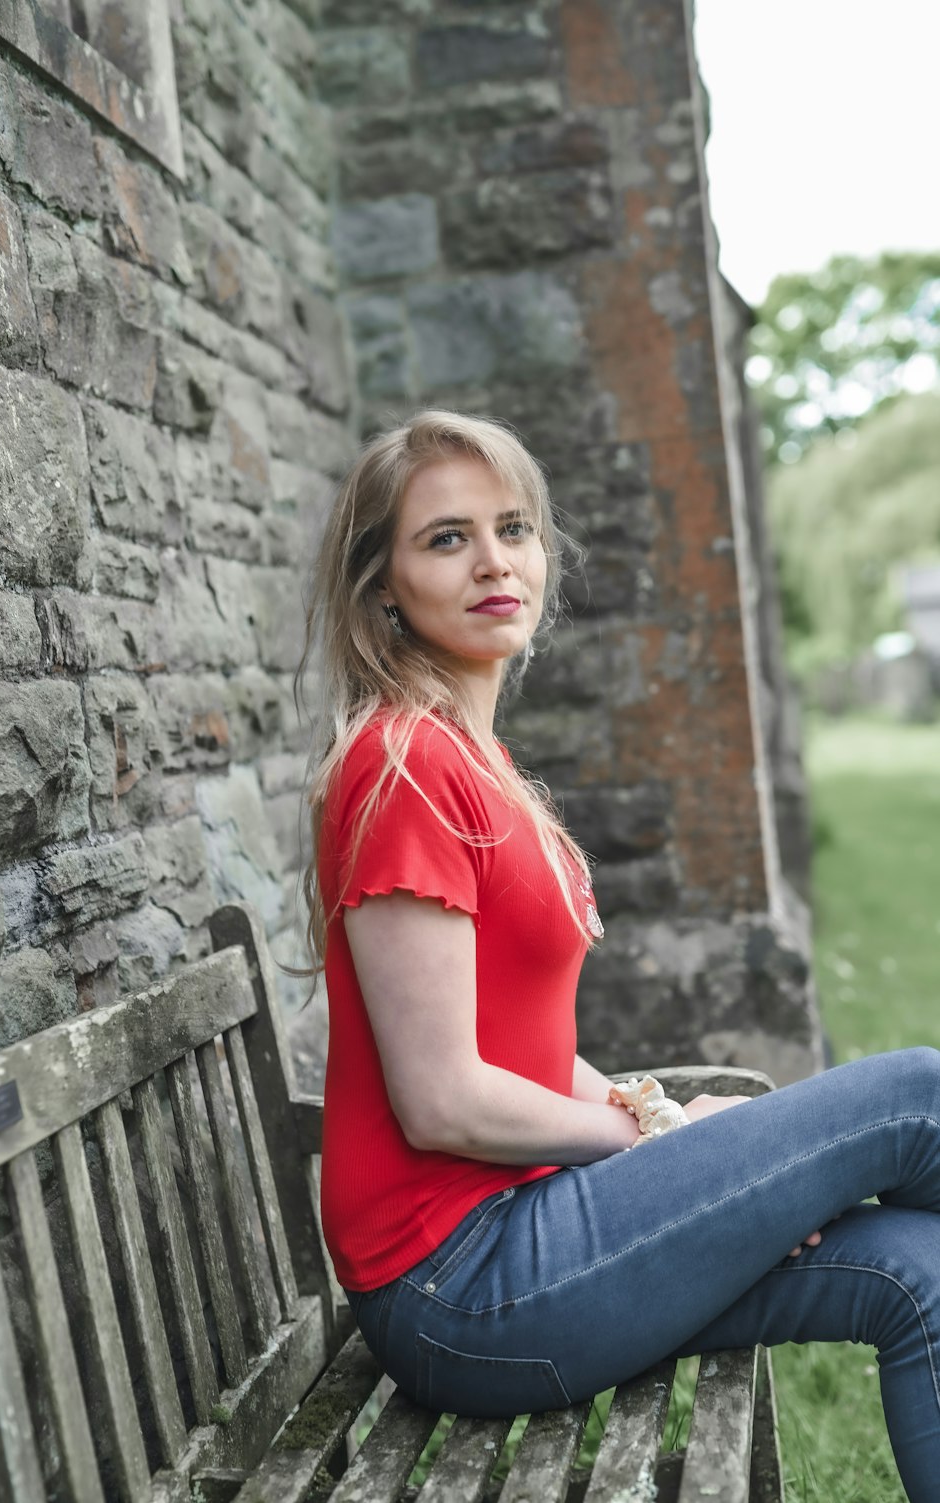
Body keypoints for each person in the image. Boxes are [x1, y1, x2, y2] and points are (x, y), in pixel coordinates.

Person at [297, 409, 940, 1502]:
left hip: (531, 1237)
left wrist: (686, 1146)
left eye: (512, 527)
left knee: (916, 1268)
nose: (494, 559)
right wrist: (655, 1148)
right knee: (916, 1096)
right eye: (446, 538)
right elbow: (442, 1102)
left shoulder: (473, 757)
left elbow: (526, 1043)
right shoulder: (403, 766)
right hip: (463, 1287)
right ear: (383, 586)